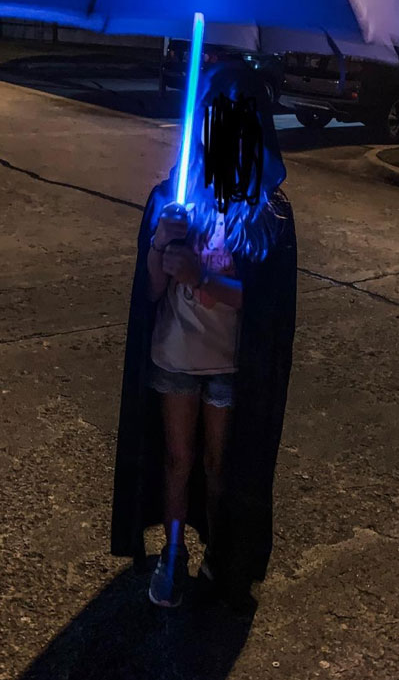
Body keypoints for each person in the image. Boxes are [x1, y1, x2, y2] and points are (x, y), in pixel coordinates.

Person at [111, 61, 297, 608]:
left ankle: (220, 553)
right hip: (173, 354)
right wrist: (158, 250)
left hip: (230, 363)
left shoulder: (267, 213)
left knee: (221, 465)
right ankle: (173, 554)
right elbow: (147, 295)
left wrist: (203, 276)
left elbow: (265, 306)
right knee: (177, 460)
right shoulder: (173, 196)